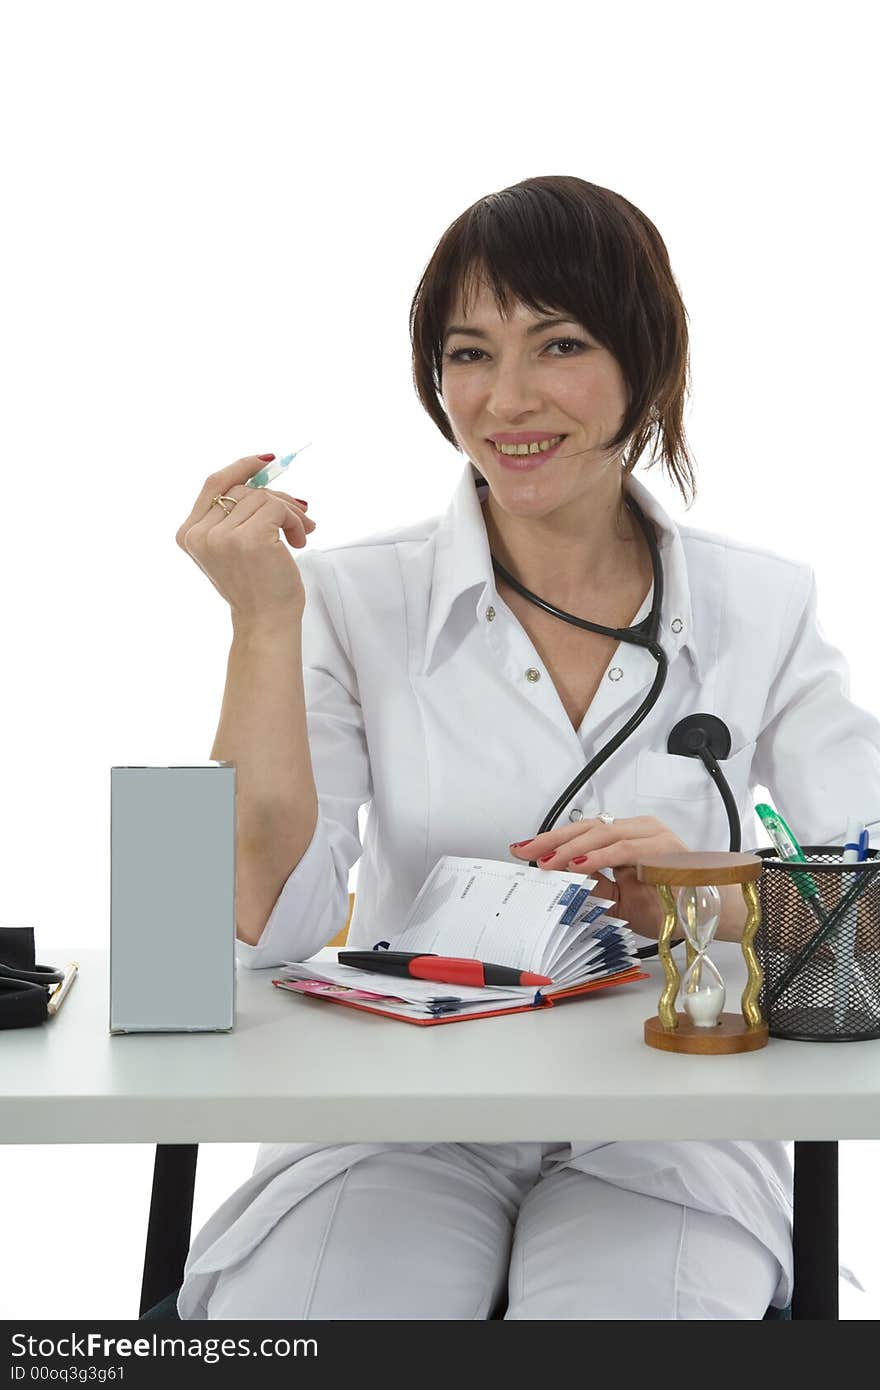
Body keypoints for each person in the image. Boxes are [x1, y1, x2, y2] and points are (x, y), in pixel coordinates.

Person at [173, 175, 880, 1320]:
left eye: (557, 344)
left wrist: (696, 898)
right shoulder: (350, 599)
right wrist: (263, 621)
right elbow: (260, 917)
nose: (504, 399)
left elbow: (870, 913)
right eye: (466, 354)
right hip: (394, 1123)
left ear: (644, 366)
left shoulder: (764, 605)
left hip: (668, 1126)